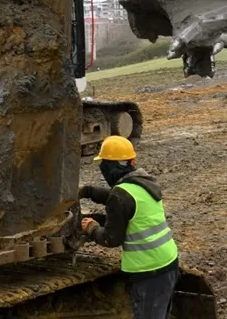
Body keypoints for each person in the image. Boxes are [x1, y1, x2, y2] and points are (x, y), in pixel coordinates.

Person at [79, 135, 181, 319]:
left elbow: (111, 238)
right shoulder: (143, 183)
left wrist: (92, 228)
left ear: (108, 166)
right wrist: (89, 191)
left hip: (149, 271)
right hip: (168, 262)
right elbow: (120, 198)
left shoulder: (120, 196)